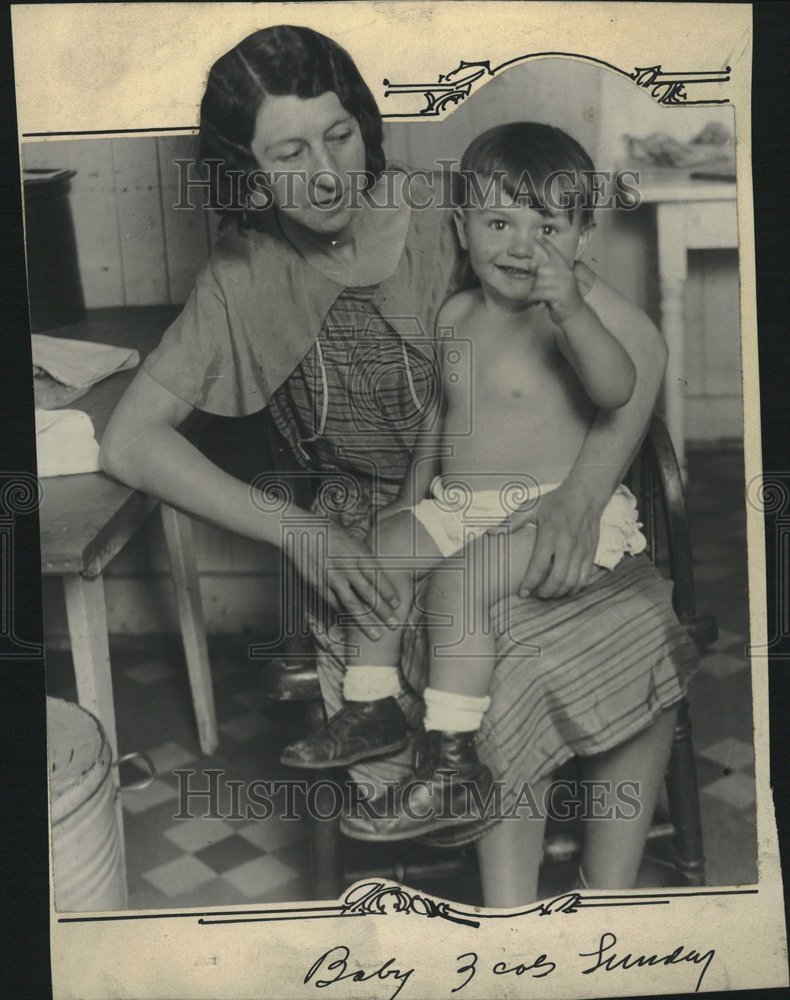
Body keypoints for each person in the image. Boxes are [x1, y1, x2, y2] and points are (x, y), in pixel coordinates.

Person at [100, 25, 697, 907]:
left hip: (555, 501)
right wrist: (299, 532)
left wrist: (580, 496)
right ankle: (505, 903)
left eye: (339, 136)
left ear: (365, 126)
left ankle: (566, 907)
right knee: (457, 626)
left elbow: (625, 344)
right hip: (404, 527)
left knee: (527, 647)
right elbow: (128, 441)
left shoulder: (453, 210)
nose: (328, 174)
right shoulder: (240, 275)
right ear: (246, 171)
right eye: (289, 153)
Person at [281, 122, 689, 859]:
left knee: (457, 589)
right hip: (461, 507)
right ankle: (371, 706)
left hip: (549, 510)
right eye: (498, 222)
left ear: (582, 239)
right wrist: (410, 498)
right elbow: (445, 411)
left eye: (548, 227)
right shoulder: (455, 315)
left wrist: (571, 312)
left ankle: (451, 761)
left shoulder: (573, 322)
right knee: (380, 551)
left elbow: (617, 387)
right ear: (461, 227)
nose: (520, 246)